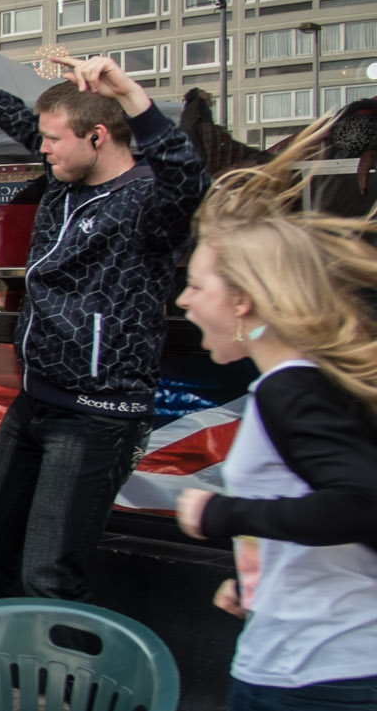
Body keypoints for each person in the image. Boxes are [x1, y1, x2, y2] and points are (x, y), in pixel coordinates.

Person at [0, 56, 210, 708]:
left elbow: (189, 174)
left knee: (49, 572)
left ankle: (75, 698)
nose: (40, 147)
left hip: (100, 413)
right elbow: (27, 119)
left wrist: (128, 92)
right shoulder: (66, 179)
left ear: (99, 136)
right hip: (38, 401)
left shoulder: (147, 202)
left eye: (54, 138)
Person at [167, 132, 377, 710]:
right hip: (294, 658)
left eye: (196, 285)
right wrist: (263, 579)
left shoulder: (293, 389)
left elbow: (361, 502)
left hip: (323, 674)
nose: (183, 302)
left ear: (242, 303)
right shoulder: (290, 386)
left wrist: (221, 513)